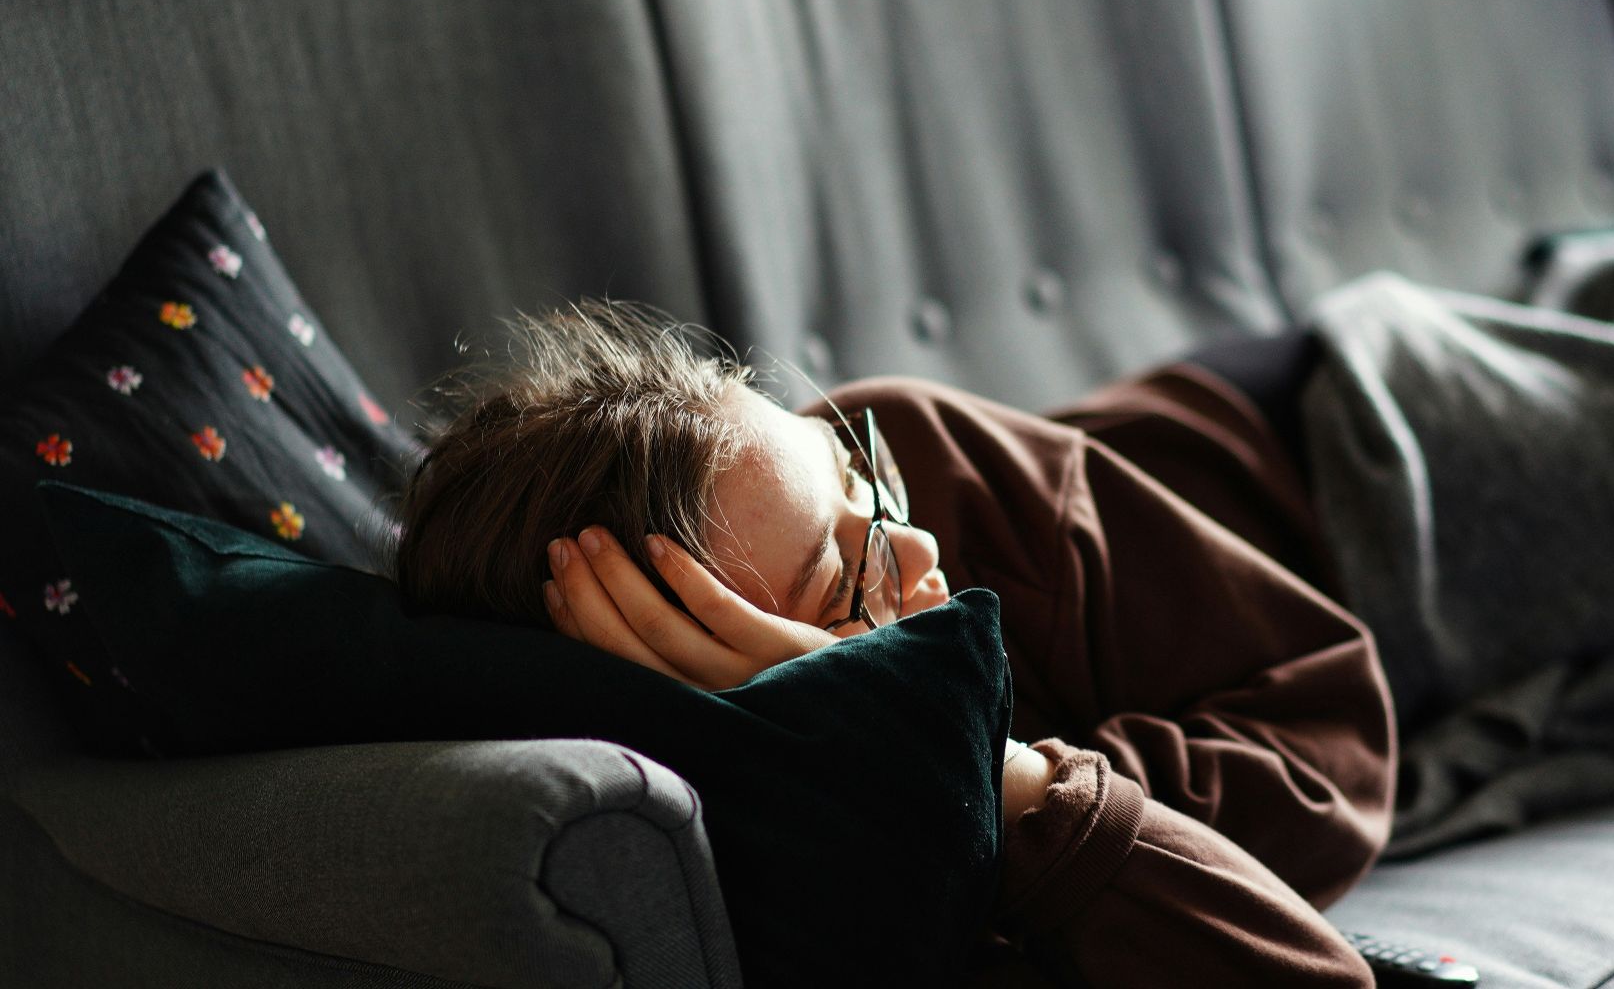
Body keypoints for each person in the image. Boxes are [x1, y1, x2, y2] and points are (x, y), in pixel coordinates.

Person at [396, 301, 1393, 988]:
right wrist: (952, 763)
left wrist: (1017, 792)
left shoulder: (926, 454)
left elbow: (1333, 740)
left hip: (1348, 426)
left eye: (852, 473)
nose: (916, 546)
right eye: (842, 580)